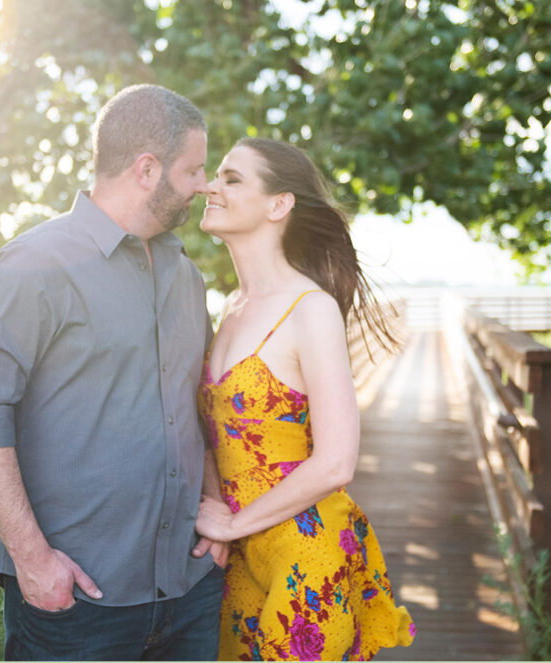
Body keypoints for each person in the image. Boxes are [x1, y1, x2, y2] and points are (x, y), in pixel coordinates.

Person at [0, 84, 228, 661]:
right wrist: (31, 559)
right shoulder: (31, 267)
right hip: (76, 605)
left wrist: (215, 509)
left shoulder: (185, 275)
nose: (204, 185)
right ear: (148, 169)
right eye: (194, 170)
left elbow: (200, 403)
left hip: (190, 591)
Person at [193, 137, 416, 661]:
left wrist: (231, 523)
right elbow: (212, 435)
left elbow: (337, 461)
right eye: (215, 175)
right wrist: (221, 516)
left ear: (279, 204)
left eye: (231, 178)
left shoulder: (310, 309)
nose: (210, 186)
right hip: (241, 555)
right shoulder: (230, 306)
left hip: (304, 548)